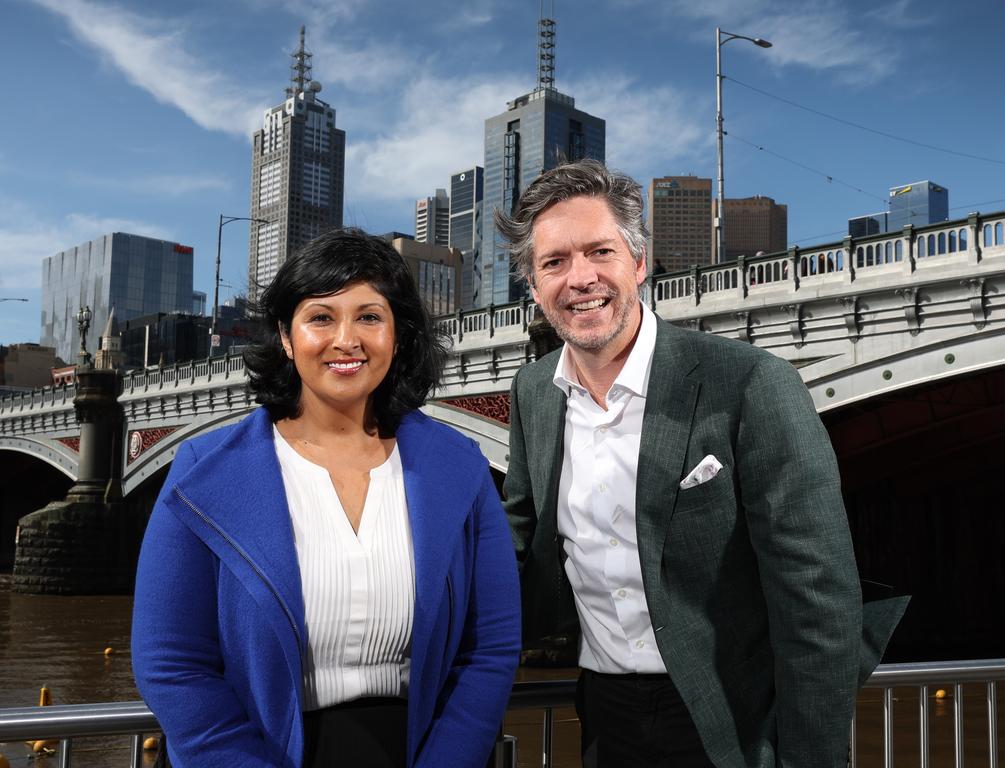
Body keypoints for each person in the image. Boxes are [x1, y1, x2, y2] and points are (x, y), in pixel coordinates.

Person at [496, 159, 907, 768]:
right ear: (533, 285)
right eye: (554, 262)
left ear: (638, 263)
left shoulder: (747, 384)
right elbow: (519, 536)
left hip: (730, 719)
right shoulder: (533, 392)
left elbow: (815, 595)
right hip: (604, 716)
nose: (579, 278)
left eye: (599, 252)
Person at [132, 229, 521, 768]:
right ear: (287, 339)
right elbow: (171, 664)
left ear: (397, 335)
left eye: (369, 316)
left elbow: (491, 647)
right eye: (321, 317)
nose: (347, 339)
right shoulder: (204, 473)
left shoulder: (459, 467)